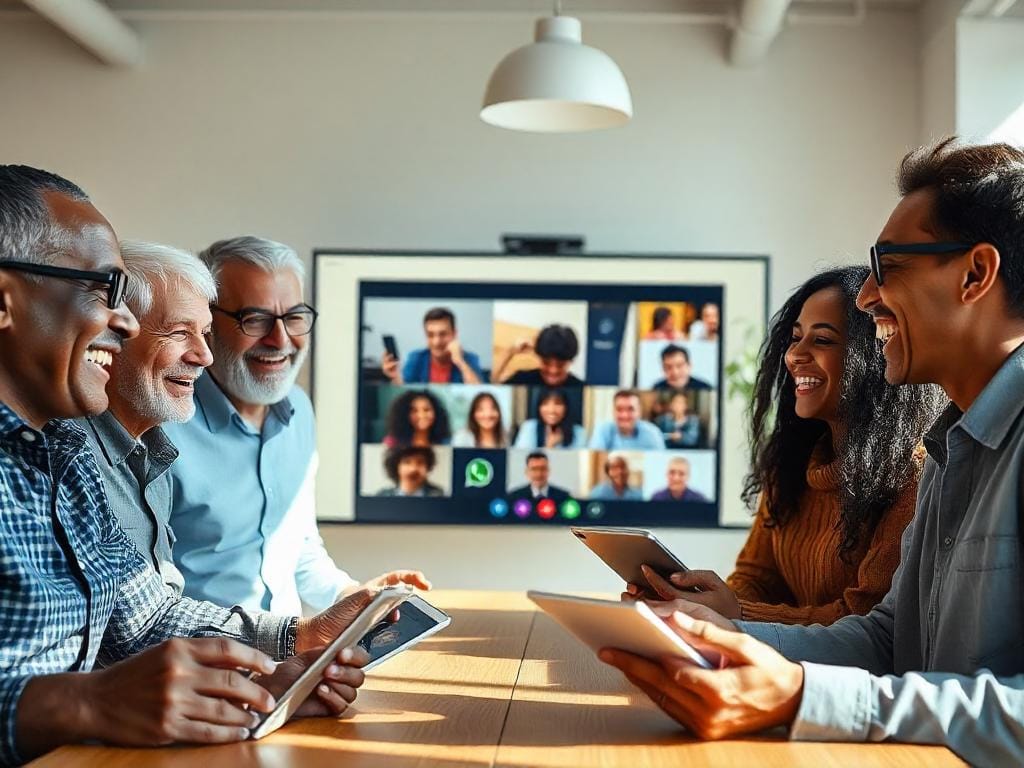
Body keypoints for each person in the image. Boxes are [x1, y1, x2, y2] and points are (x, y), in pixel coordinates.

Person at [600, 139, 1024, 765]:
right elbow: (890, 641)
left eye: (889, 266)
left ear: (975, 275)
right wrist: (727, 638)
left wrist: (802, 695)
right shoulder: (949, 449)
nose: (866, 296)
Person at [0, 166, 371, 765]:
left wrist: (281, 656)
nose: (121, 323)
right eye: (101, 290)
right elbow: (95, 688)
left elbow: (143, 614)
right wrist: (83, 704)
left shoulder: (60, 457)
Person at [629, 267, 943, 625]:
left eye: (822, 340)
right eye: (795, 338)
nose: (795, 356)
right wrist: (693, 606)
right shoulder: (790, 467)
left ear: (874, 359)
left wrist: (735, 615)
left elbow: (864, 622)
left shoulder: (915, 478)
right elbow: (756, 579)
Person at [165, 236, 429, 616]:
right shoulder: (163, 425)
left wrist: (352, 595)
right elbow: (148, 602)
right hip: (203, 663)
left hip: (288, 658)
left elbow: (298, 547)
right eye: (254, 319)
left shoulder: (298, 412)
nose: (281, 339)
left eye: (293, 317)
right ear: (208, 323)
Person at [78, 241, 217, 594]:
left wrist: (298, 635)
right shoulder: (70, 459)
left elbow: (154, 618)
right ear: (113, 333)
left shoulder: (154, 457)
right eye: (179, 332)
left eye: (204, 333)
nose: (204, 356)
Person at [381, 306, 483, 384]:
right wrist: (395, 376)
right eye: (430, 335)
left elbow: (479, 397)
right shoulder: (416, 358)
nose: (436, 342)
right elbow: (405, 394)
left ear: (454, 334)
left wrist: (460, 362)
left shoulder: (469, 359)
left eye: (443, 334)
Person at [493, 323, 583, 386]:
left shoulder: (581, 387)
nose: (553, 370)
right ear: (539, 358)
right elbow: (490, 385)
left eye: (560, 365)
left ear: (571, 361)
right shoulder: (523, 378)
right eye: (546, 362)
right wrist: (509, 352)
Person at [589, 390, 665, 450]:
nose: (624, 415)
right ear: (613, 411)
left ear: (639, 412)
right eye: (619, 409)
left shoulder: (652, 433)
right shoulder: (602, 429)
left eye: (630, 409)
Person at [513, 388, 587, 449]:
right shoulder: (529, 427)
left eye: (558, 404)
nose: (552, 410)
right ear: (539, 407)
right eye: (545, 404)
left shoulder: (579, 432)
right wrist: (550, 445)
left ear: (566, 407)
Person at [383, 388, 452, 447]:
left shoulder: (445, 442)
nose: (422, 415)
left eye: (426, 410)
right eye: (414, 411)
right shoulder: (392, 442)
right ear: (404, 414)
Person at [375, 445, 444, 497]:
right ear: (396, 466)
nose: (413, 469)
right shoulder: (382, 496)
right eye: (407, 462)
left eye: (420, 462)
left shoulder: (438, 495)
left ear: (428, 467)